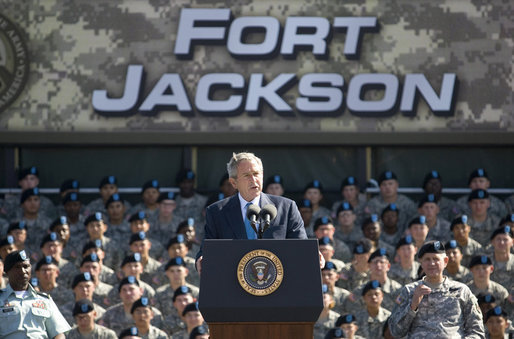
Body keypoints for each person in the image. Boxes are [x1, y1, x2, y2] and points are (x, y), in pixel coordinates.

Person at [196, 152, 308, 272]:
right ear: (233, 183)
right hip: (234, 283)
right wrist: (200, 260)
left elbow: (301, 248)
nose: (253, 180)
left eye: (256, 174)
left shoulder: (286, 207)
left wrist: (312, 255)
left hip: (277, 282)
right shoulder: (217, 212)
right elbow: (207, 250)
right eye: (247, 175)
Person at [388, 241, 485, 338]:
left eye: (436, 259)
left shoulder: (461, 291)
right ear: (421, 263)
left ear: (445, 262)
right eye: (427, 259)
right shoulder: (409, 291)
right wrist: (413, 306)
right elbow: (395, 331)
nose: (432, 263)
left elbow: (477, 332)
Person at [0, 250, 71, 338]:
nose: (23, 271)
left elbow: (58, 334)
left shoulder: (44, 300)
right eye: (17, 267)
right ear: (7, 271)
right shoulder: (1, 299)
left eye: (26, 266)